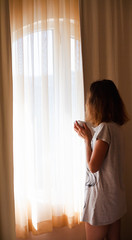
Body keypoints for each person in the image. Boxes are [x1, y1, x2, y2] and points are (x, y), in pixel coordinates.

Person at [74, 79, 129, 240]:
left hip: (101, 199)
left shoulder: (104, 128)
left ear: (96, 103)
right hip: (115, 197)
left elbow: (93, 166)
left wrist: (87, 139)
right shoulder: (116, 128)